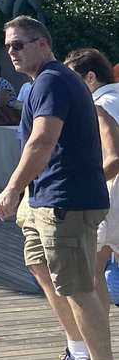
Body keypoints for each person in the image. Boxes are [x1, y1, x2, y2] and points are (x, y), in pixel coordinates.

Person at [0, 17, 119, 360]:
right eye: (9, 47)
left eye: (19, 45)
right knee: (40, 264)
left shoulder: (51, 80)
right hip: (49, 198)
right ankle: (80, 353)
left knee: (79, 285)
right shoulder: (44, 82)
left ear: (42, 42)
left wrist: (12, 188)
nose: (12, 53)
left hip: (66, 201)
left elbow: (42, 139)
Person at [64, 49, 119, 319]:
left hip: (110, 195)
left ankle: (99, 344)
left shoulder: (99, 105)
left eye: (73, 79)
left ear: (90, 76)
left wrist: (87, 187)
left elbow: (114, 158)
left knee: (93, 271)